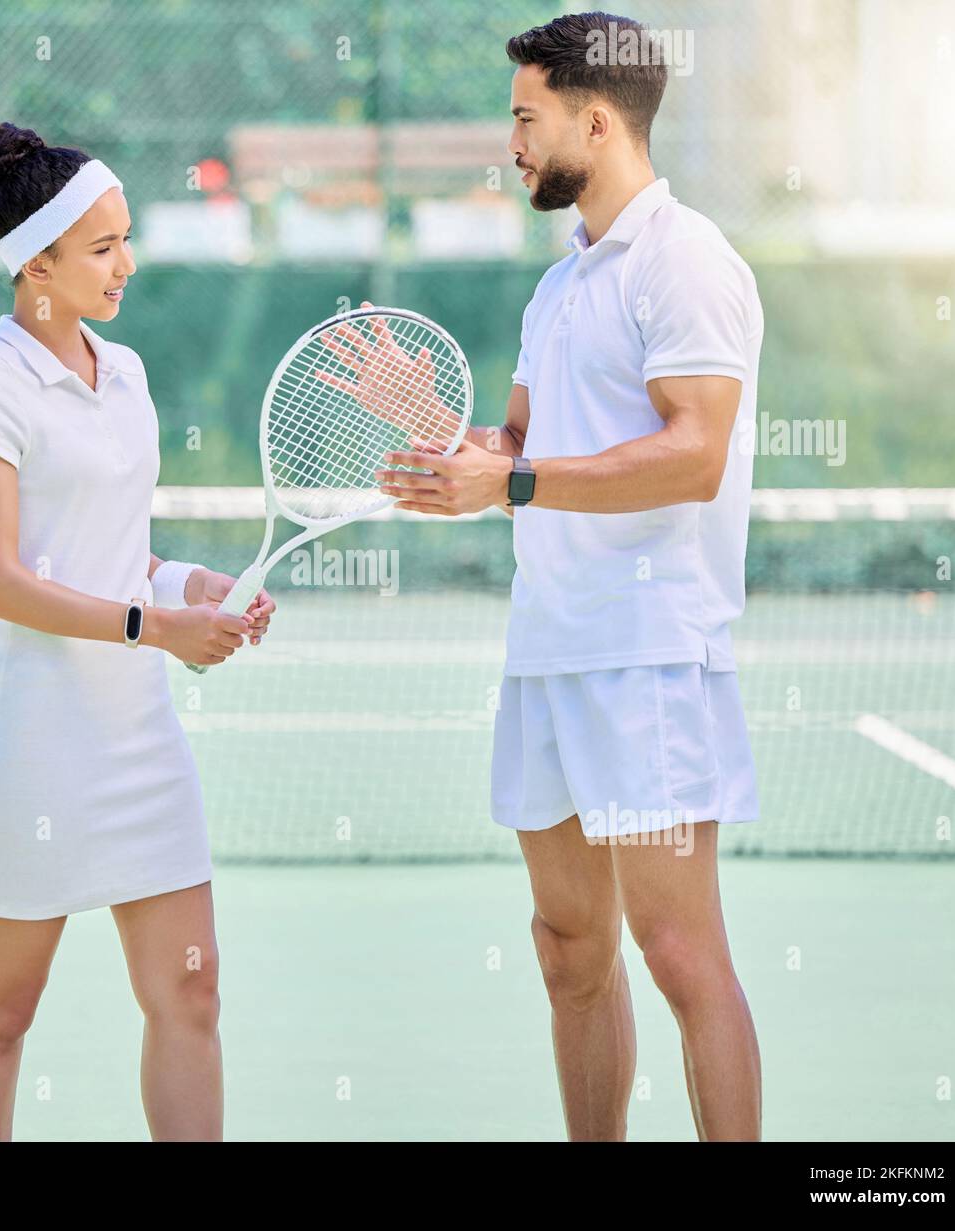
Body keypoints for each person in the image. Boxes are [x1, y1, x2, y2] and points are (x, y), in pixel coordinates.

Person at [374, 13, 765, 1140]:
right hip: (548, 651)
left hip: (644, 657)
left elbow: (692, 452)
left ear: (595, 120)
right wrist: (437, 428)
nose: (513, 143)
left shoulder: (686, 262)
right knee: (568, 952)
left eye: (525, 117)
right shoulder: (561, 285)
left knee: (682, 956)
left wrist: (518, 484)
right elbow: (514, 447)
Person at [0, 122, 274, 1142]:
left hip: (142, 741)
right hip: (35, 743)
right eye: (100, 248)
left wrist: (187, 580)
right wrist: (155, 624)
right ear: (34, 262)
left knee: (192, 994)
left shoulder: (123, 372)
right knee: (1, 1012)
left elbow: (114, 550)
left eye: (126, 239)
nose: (126, 263)